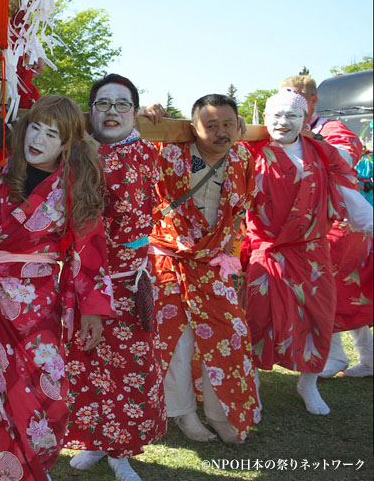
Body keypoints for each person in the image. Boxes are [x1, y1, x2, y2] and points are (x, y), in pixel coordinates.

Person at [0, 95, 113, 481]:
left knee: (49, 388)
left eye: (52, 135)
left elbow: (89, 248)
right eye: (35, 128)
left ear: (66, 145)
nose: (39, 140)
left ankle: (35, 459)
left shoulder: (73, 186)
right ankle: (8, 469)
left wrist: (92, 308)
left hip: (38, 302)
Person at [243, 88, 373, 415]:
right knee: (257, 319)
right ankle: (252, 385)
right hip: (267, 251)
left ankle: (308, 384)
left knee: (317, 316)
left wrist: (368, 223)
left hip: (312, 251)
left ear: (304, 120)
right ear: (265, 119)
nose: (283, 122)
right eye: (276, 115)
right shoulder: (248, 153)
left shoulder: (322, 153)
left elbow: (350, 196)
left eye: (292, 115)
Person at [66, 76, 165, 481]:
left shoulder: (147, 152)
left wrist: (143, 116)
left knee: (131, 369)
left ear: (134, 111)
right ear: (90, 111)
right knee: (84, 364)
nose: (112, 111)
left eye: (122, 104)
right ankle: (91, 441)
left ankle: (120, 452)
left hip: (131, 280)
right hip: (85, 281)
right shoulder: (75, 154)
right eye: (103, 103)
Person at [149, 94, 260, 444]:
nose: (220, 132)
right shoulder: (167, 153)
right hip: (169, 257)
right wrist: (141, 115)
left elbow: (243, 207)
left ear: (239, 126)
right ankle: (182, 413)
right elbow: (125, 147)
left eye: (228, 124)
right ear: (193, 127)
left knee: (230, 335)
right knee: (175, 339)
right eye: (210, 125)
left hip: (212, 263)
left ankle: (222, 413)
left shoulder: (243, 156)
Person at [279, 75, 373, 378]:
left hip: (338, 225)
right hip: (319, 224)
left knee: (329, 290)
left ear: (313, 101)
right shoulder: (291, 128)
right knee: (345, 291)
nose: (288, 105)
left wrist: (309, 140)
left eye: (295, 97)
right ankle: (369, 358)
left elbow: (344, 158)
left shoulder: (330, 128)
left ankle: (334, 357)